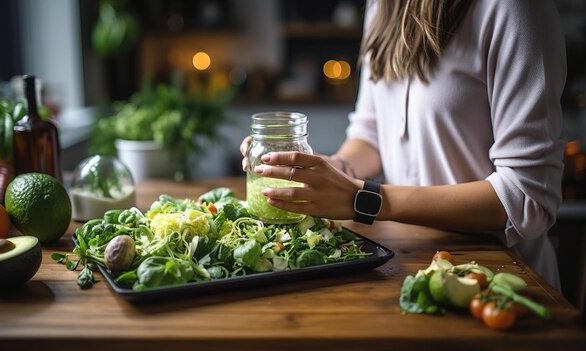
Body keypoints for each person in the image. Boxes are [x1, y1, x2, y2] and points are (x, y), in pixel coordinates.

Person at [240, 0, 566, 290]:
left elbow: (527, 197)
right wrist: (331, 172)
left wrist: (361, 198)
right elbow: (371, 134)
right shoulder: (383, 7)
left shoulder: (515, 8)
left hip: (501, 280)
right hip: (411, 267)